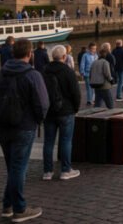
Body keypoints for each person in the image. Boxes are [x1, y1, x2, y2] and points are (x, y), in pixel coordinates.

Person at [0, 38, 48, 222]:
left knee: (13, 167)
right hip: (24, 127)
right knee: (19, 168)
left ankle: (7, 205)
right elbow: (43, 104)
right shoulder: (33, 75)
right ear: (30, 54)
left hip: (3, 127)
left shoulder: (1, 73)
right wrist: (37, 120)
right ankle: (19, 209)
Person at [41, 45, 81, 181]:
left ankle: (47, 171)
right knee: (65, 141)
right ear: (64, 57)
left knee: (48, 142)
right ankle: (66, 170)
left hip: (49, 112)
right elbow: (76, 93)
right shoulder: (68, 71)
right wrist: (75, 108)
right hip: (66, 111)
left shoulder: (45, 71)